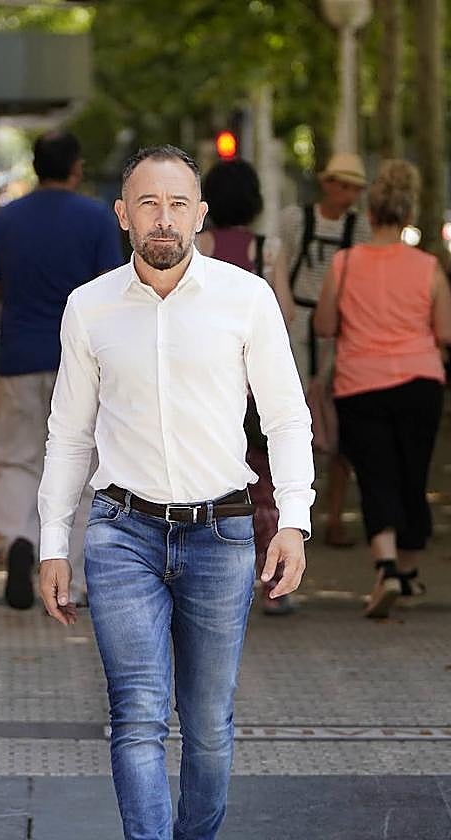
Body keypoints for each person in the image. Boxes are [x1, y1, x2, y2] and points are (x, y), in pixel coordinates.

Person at [36, 145, 313, 840]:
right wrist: (53, 543)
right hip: (121, 533)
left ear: (201, 215)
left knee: (209, 723)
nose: (164, 218)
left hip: (221, 533)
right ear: (123, 215)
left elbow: (285, 416)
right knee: (136, 714)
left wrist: (294, 520)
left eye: (178, 204)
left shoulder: (246, 299)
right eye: (149, 204)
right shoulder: (89, 307)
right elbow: (68, 433)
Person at [0, 131, 122, 609]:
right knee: (81, 465)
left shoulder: (7, 220)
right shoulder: (97, 217)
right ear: (76, 167)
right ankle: (71, 579)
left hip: (17, 359)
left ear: (35, 166)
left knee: (17, 459)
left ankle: (18, 538)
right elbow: (112, 295)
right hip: (81, 364)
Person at [313, 159, 451, 619]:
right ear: (408, 214)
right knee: (413, 476)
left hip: (360, 384)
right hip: (420, 383)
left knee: (375, 476)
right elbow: (448, 332)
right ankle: (408, 571)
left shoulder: (344, 264)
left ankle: (388, 568)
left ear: (370, 213)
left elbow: (324, 325)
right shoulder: (429, 267)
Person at [197, 158, 290, 615]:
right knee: (267, 483)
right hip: (259, 387)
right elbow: (285, 315)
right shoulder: (269, 250)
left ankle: (215, 582)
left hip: (208, 387)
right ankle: (274, 582)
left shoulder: (200, 247)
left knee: (213, 482)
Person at [273, 153, 372, 547]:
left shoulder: (359, 228)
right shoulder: (294, 220)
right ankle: (292, 513)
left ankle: (333, 515)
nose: (345, 193)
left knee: (339, 425)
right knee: (292, 420)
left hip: (340, 332)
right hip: (296, 327)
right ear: (326, 183)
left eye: (353, 187)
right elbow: (279, 268)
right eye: (340, 184)